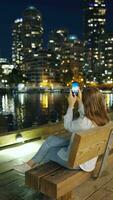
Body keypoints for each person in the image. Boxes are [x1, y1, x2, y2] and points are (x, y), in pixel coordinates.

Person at [14, 87, 109, 173]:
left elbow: (67, 126)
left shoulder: (83, 122)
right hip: (87, 158)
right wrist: (80, 102)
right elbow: (84, 114)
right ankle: (28, 165)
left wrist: (71, 105)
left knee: (48, 151)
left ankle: (38, 177)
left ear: (86, 102)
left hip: (77, 163)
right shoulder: (103, 119)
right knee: (51, 140)